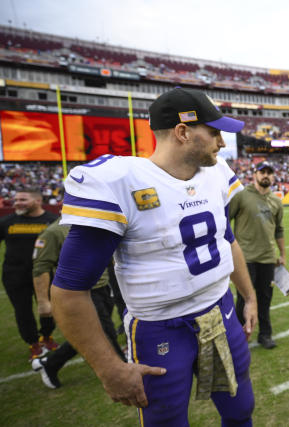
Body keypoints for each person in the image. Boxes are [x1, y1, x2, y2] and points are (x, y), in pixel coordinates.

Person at [50, 87, 258, 426]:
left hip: (220, 311)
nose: (221, 142)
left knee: (241, 409)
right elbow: (69, 291)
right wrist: (109, 367)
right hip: (161, 328)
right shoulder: (120, 182)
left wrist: (248, 296)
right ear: (183, 132)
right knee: (167, 422)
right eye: (214, 131)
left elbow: (225, 238)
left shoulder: (217, 173)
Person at [31, 218, 125, 389]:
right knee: (105, 331)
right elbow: (41, 266)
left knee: (91, 332)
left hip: (103, 286)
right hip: (79, 292)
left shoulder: (95, 221)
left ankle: (50, 363)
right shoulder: (54, 232)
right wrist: (43, 301)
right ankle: (124, 371)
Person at [228, 161, 284, 349]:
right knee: (244, 297)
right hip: (245, 258)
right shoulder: (242, 196)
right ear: (255, 175)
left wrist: (282, 254)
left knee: (265, 297)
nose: (266, 175)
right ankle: (238, 336)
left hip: (268, 258)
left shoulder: (276, 201)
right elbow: (226, 221)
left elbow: (279, 230)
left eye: (269, 172)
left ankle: (265, 334)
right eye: (262, 172)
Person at [0, 188, 58, 360]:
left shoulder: (52, 221)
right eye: (16, 199)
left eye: (23, 199)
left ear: (38, 201)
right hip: (14, 275)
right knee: (22, 311)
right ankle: (33, 343)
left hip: (45, 274)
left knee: (48, 308)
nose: (17, 203)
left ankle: (47, 336)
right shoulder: (7, 222)